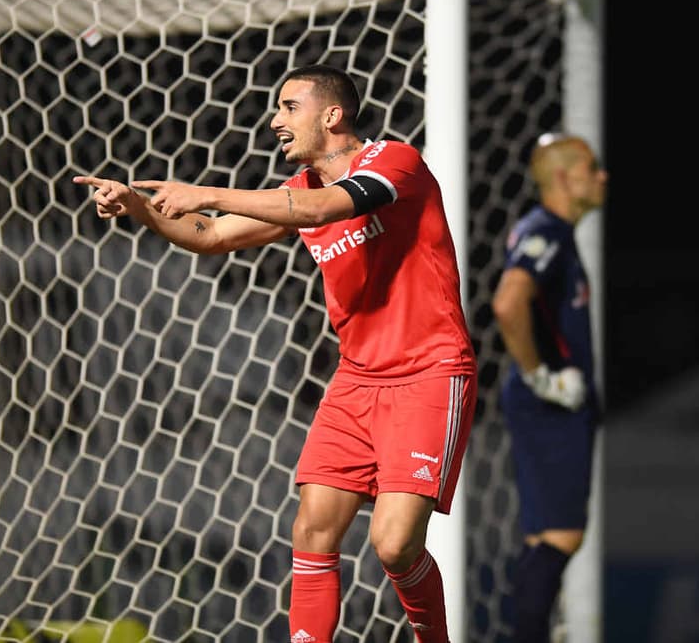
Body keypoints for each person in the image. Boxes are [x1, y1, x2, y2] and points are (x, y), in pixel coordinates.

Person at [74, 65, 477, 643]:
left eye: (289, 108)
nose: (275, 121)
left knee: (393, 544)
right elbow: (211, 236)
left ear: (331, 115)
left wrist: (207, 191)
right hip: (356, 379)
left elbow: (324, 211)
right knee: (312, 530)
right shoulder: (300, 192)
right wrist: (139, 206)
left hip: (428, 375)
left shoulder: (394, 162)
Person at [490, 132, 607, 642]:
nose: (601, 177)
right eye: (591, 168)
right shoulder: (549, 232)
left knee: (545, 539)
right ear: (563, 177)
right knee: (560, 536)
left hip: (545, 401)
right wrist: (543, 376)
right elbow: (508, 302)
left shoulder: (547, 231)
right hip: (551, 401)